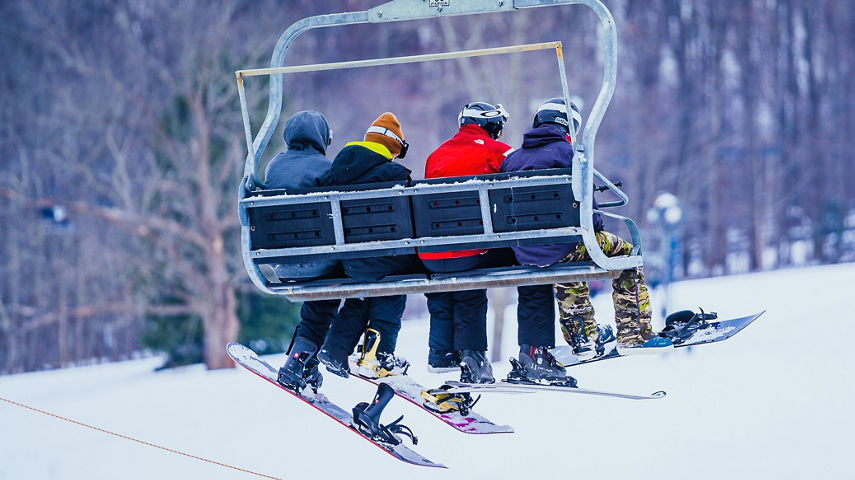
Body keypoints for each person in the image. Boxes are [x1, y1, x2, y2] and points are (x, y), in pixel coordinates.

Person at [501, 98, 672, 378]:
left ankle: (582, 338)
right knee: (626, 255)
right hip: (566, 243)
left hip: (528, 251)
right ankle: (634, 333)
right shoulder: (571, 154)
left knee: (566, 259)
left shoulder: (512, 159)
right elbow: (589, 217)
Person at [316, 112, 419, 379]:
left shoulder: (337, 169)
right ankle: (380, 354)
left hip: (349, 261)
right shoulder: (395, 174)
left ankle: (336, 347)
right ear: (393, 148)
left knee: (362, 293)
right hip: (387, 261)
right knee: (393, 286)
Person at [420, 102, 515, 384]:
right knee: (470, 285)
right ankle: (473, 357)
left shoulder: (435, 155)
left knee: (445, 283)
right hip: (472, 250)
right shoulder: (497, 151)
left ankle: (440, 353)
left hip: (431, 253)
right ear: (489, 125)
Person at [264, 110, 342, 391]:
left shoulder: (274, 167)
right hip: (318, 261)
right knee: (329, 290)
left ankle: (301, 359)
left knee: (321, 293)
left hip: (281, 263)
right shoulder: (325, 167)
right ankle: (304, 357)